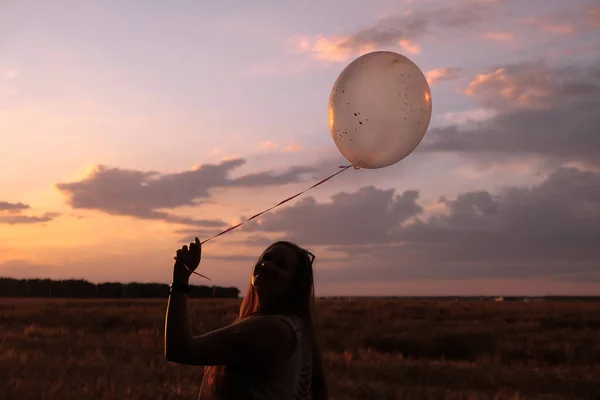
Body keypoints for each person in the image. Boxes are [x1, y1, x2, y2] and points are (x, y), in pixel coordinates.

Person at [164, 237, 329, 400]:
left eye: (281, 264)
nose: (266, 264)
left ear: (294, 284)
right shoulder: (296, 326)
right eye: (265, 258)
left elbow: (180, 349)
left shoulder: (270, 328)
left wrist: (180, 280)